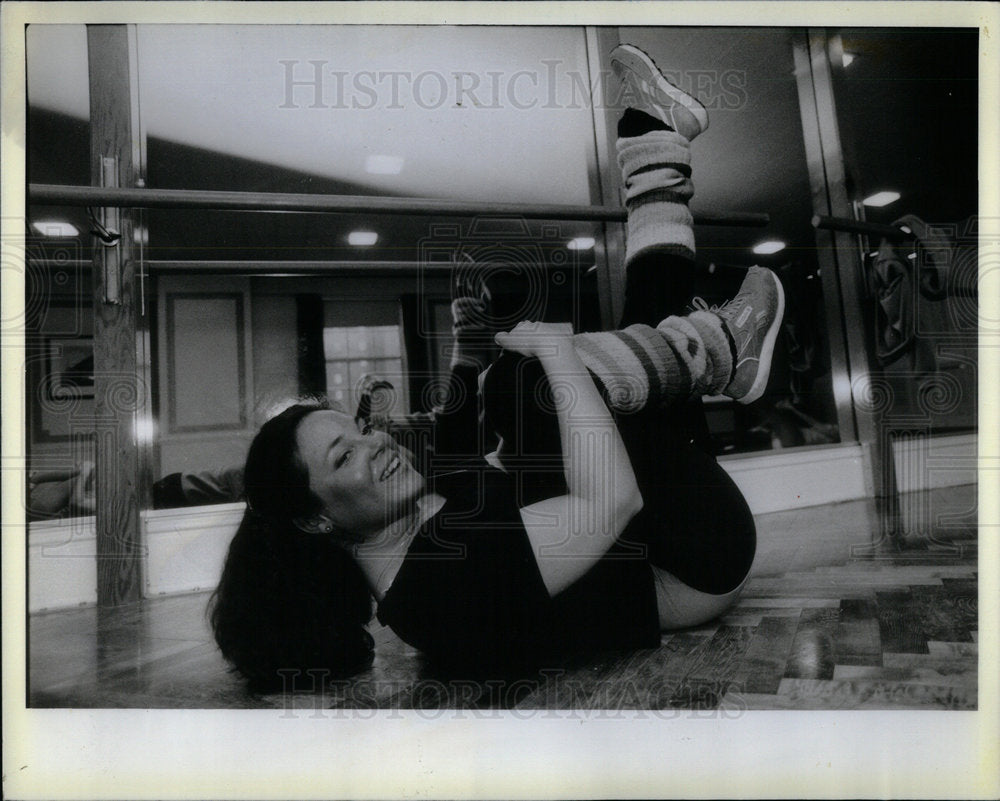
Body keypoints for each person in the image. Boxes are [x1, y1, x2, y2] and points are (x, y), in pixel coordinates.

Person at [209, 44, 786, 690]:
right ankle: (718, 349)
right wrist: (558, 356)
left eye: (359, 431)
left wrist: (519, 373)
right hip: (693, 557)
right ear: (315, 519)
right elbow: (612, 499)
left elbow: (495, 461)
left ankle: (656, 147)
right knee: (530, 383)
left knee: (520, 387)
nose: (375, 445)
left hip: (661, 524)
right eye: (343, 457)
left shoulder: (414, 547)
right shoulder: (441, 584)